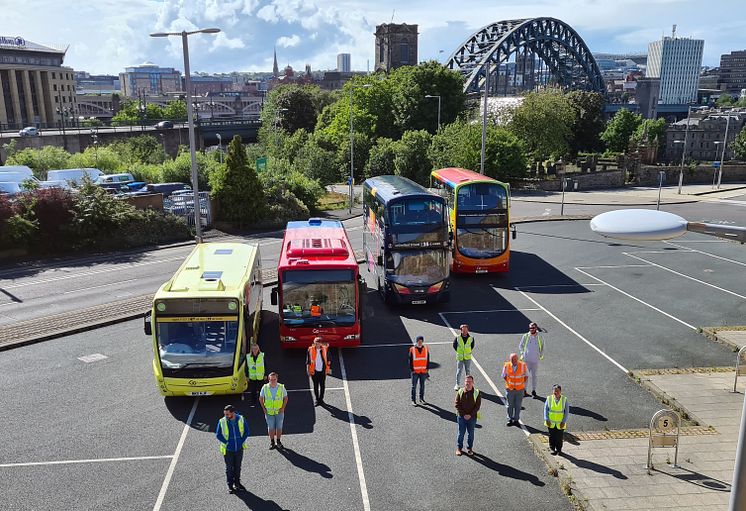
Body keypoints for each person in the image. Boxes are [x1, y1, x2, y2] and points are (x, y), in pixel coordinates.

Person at [215, 404, 249, 494]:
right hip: (228, 450)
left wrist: (241, 441)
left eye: (227, 414)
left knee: (238, 467)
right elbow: (218, 434)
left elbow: (247, 431)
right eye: (225, 414)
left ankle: (237, 483)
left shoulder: (241, 419)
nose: (225, 416)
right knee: (229, 468)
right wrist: (226, 442)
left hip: (239, 449)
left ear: (233, 413)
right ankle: (230, 486)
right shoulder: (222, 421)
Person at [260, 372, 288, 450]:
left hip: (279, 411)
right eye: (271, 379)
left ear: (277, 379)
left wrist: (283, 408)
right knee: (271, 428)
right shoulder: (265, 388)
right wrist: (264, 409)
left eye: (274, 379)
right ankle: (272, 442)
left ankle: (278, 441)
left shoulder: (281, 387)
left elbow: (285, 398)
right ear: (269, 379)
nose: (273, 381)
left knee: (279, 427)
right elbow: (261, 398)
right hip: (269, 412)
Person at [454, 375, 481, 456]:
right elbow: (456, 404)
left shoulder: (477, 393)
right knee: (461, 433)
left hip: (472, 418)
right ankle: (459, 448)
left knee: (471, 434)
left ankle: (469, 448)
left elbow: (477, 406)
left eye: (470, 382)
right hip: (461, 417)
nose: (468, 383)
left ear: (473, 383)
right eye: (466, 382)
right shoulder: (460, 391)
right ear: (464, 382)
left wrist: (470, 415)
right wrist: (463, 414)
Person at [518, 322, 545, 398]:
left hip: (535, 360)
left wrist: (541, 354)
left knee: (534, 376)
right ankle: (524, 390)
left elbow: (543, 345)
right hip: (527, 359)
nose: (531, 329)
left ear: (536, 328)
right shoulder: (526, 336)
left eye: (533, 328)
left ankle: (533, 390)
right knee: (525, 375)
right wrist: (522, 353)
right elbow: (521, 345)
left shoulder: (539, 336)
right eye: (530, 328)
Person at [502, 352, 528, 426]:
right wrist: (510, 383)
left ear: (517, 359)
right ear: (510, 360)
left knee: (518, 405)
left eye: (515, 359)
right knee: (509, 405)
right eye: (512, 360)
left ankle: (516, 419)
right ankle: (509, 419)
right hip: (510, 389)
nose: (513, 361)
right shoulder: (506, 365)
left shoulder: (523, 365)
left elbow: (526, 376)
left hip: (520, 390)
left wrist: (521, 383)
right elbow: (504, 375)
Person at [544, 384, 569, 455]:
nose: (556, 392)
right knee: (552, 436)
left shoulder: (564, 399)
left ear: (560, 391)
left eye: (557, 391)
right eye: (554, 391)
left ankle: (559, 450)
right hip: (551, 423)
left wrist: (564, 421)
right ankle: (552, 448)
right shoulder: (549, 398)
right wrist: (546, 419)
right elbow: (545, 410)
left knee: (559, 437)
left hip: (560, 423)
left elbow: (566, 412)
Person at [306, 337, 331, 406]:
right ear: (314, 343)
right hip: (314, 371)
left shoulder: (325, 349)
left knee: (322, 385)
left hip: (322, 371)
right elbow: (308, 361)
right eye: (316, 343)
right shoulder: (310, 350)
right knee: (315, 386)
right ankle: (317, 400)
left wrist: (328, 368)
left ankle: (321, 399)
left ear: (321, 343)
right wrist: (308, 370)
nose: (317, 345)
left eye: (318, 343)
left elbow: (329, 359)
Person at [408, 335, 430, 405]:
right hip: (415, 372)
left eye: (421, 341)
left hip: (423, 371)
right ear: (416, 341)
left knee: (422, 386)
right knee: (414, 386)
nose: (420, 342)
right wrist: (412, 370)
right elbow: (410, 360)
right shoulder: (412, 349)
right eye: (418, 341)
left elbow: (428, 359)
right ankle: (413, 400)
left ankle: (421, 399)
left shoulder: (426, 349)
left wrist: (427, 369)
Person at [453, 324, 475, 391]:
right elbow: (454, 346)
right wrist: (460, 352)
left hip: (467, 357)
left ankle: (469, 384)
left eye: (466, 330)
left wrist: (466, 352)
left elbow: (472, 346)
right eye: (463, 330)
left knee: (468, 371)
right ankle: (457, 384)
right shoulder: (458, 338)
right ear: (461, 331)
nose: (465, 331)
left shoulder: (471, 338)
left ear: (468, 330)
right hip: (460, 357)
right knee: (459, 371)